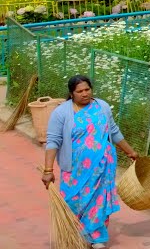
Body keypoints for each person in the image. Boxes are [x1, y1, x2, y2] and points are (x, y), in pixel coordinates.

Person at [42, 75, 139, 249]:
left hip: (103, 167)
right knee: (73, 200)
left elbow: (113, 130)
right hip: (74, 170)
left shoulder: (101, 106)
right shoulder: (62, 112)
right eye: (79, 91)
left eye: (87, 90)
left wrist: (130, 151)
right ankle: (73, 235)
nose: (84, 94)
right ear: (71, 93)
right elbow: (53, 141)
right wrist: (48, 170)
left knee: (98, 201)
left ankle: (96, 238)